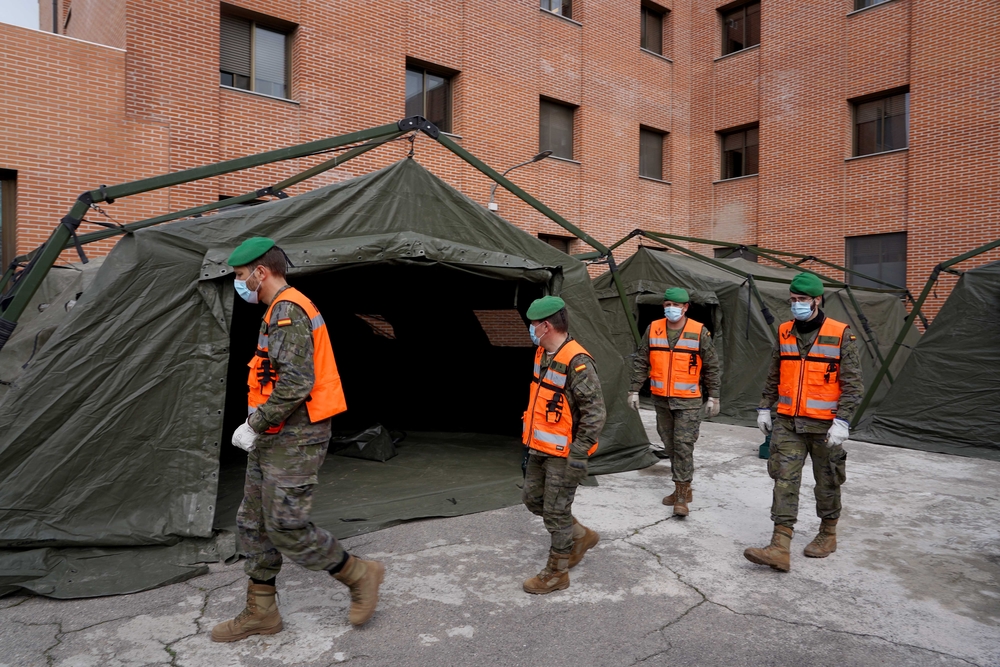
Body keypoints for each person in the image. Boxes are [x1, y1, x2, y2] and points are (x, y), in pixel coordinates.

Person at [212, 237, 384, 642]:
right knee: (252, 522)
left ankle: (359, 574)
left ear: (261, 272)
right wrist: (260, 425)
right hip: (275, 433)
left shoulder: (289, 311)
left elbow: (295, 382)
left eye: (240, 277)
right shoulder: (276, 311)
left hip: (296, 435)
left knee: (286, 525)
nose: (239, 285)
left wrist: (255, 423)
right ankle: (261, 612)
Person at [744, 272, 863, 572]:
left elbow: (853, 384)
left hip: (825, 426)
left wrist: (843, 421)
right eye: (793, 300)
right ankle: (779, 546)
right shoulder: (784, 331)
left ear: (817, 300)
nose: (796, 305)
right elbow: (774, 373)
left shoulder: (840, 333)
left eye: (802, 300)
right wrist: (763, 407)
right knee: (784, 480)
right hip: (788, 422)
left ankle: (828, 533)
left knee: (828, 481)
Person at [520, 296, 606, 594]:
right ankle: (580, 535)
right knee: (533, 501)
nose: (530, 330)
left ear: (545, 325)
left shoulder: (578, 362)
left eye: (533, 325)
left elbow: (595, 413)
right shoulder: (542, 354)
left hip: (564, 453)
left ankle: (556, 573)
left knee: (556, 512)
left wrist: (579, 453)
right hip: (538, 446)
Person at [628, 287, 721, 517]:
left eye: (676, 305)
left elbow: (712, 366)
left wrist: (714, 396)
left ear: (686, 307)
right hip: (661, 399)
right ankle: (684, 488)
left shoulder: (699, 332)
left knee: (683, 446)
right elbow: (641, 360)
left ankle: (681, 495)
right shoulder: (654, 328)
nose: (671, 309)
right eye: (668, 305)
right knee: (669, 445)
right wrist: (633, 390)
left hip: (688, 401)